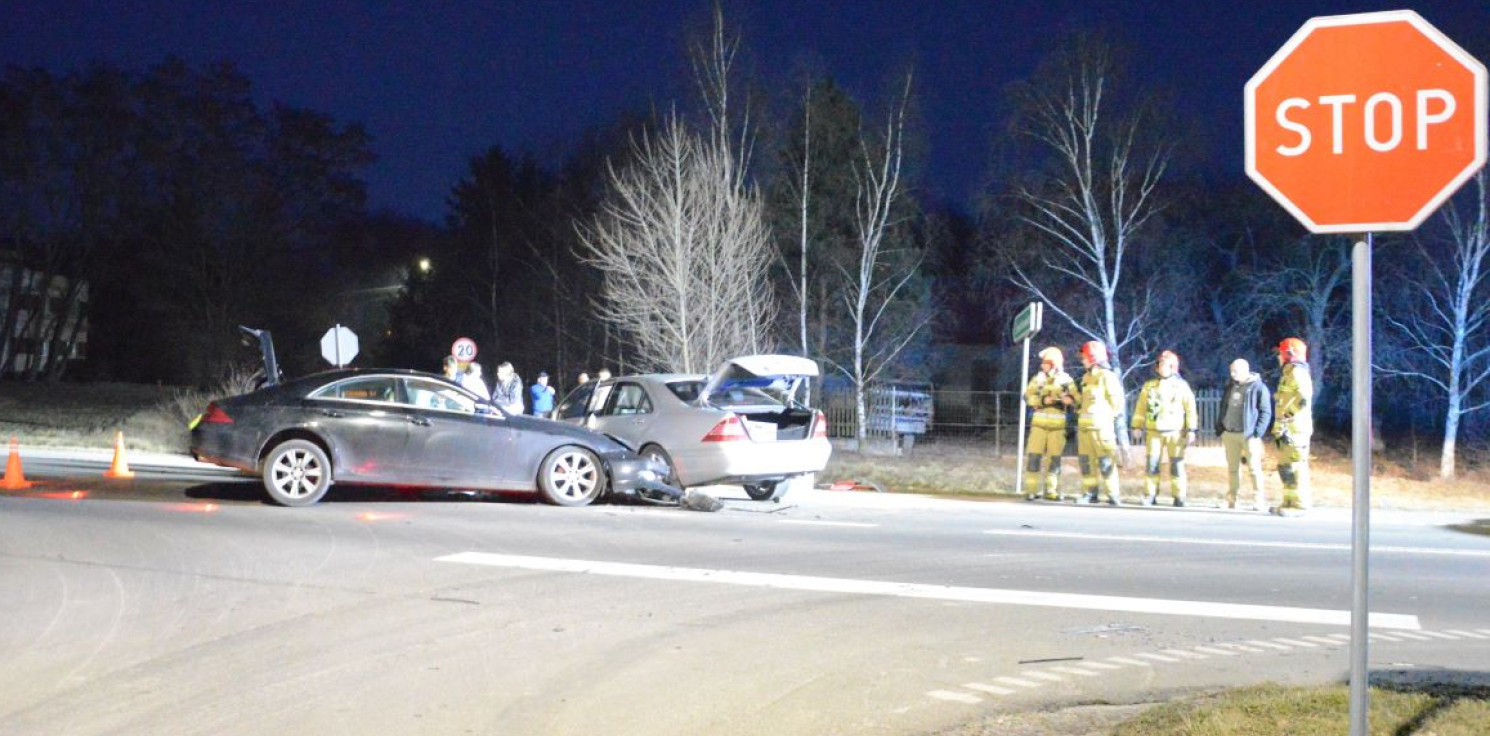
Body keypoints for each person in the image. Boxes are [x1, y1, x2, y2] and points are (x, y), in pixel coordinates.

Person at [1129, 350, 1199, 507]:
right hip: (1154, 433)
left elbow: (1190, 409)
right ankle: (1150, 495)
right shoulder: (1149, 386)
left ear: (1173, 367)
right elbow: (1140, 408)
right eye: (1159, 364)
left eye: (1165, 364)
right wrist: (1136, 426)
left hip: (1175, 433)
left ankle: (1179, 497)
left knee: (1177, 465)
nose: (1161, 367)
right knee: (1152, 465)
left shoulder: (1181, 386)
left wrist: (1191, 430)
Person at [1216, 358, 1272, 511]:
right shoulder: (1230, 386)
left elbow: (1265, 412)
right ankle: (1232, 499)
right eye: (1232, 371)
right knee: (1233, 469)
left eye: (1236, 371)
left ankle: (1258, 500)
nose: (1233, 374)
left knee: (1254, 469)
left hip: (1249, 435)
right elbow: (1224, 406)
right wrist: (1221, 427)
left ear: (1245, 370)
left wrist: (1257, 432)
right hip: (1230, 433)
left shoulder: (1258, 387)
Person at [1074, 341, 1125, 505]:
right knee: (1086, 463)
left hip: (1101, 429)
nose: (1082, 361)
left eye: (1085, 357)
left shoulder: (1107, 377)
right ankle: (1090, 494)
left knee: (1106, 462)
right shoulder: (1086, 378)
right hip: (1084, 429)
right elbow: (1084, 403)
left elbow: (1117, 402)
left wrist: (1105, 418)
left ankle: (1113, 495)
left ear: (1093, 358)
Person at [1022, 346, 1075, 500]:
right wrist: (1042, 400)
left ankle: (1051, 490)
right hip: (1038, 426)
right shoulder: (1037, 379)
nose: (1042, 365)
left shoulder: (1066, 380)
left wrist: (1070, 400)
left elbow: (1076, 398)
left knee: (1055, 460)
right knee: (1033, 457)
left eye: (1045, 363)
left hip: (1057, 429)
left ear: (1054, 364)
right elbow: (1026, 396)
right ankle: (1031, 490)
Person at [1273, 337, 1314, 513]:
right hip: (1287, 429)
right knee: (1286, 466)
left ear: (1289, 354)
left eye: (1281, 353)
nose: (1279, 357)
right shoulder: (1288, 374)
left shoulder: (1298, 373)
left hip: (1296, 429)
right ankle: (1288, 502)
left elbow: (1303, 399)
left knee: (1296, 465)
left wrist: (1287, 417)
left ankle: (1299, 504)